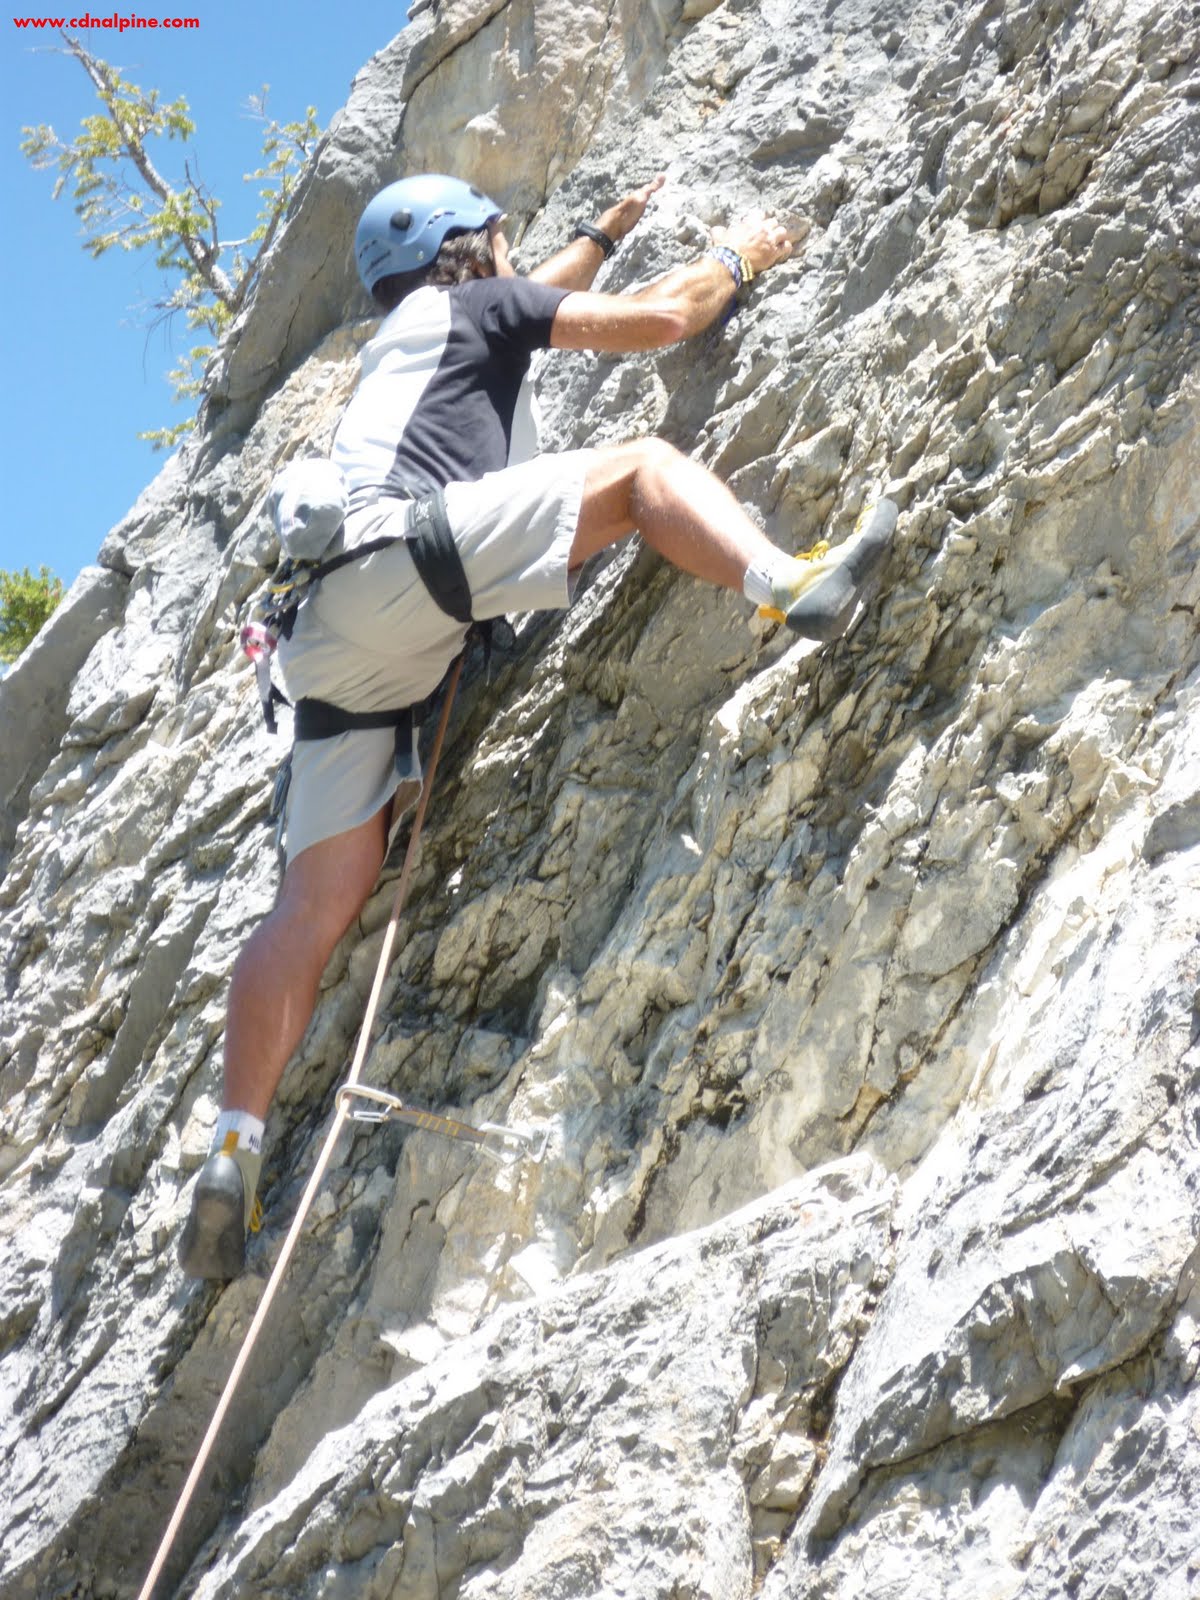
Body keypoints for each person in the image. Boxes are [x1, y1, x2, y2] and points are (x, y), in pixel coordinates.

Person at [179, 172, 897, 1278]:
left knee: (313, 906)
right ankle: (787, 581)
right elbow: (664, 318)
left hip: (327, 638)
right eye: (499, 238)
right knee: (643, 470)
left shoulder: (416, 336)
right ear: (469, 250)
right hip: (415, 562)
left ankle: (235, 1149)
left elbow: (532, 295)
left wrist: (600, 231)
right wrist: (745, 257)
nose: (515, 254)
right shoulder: (477, 308)